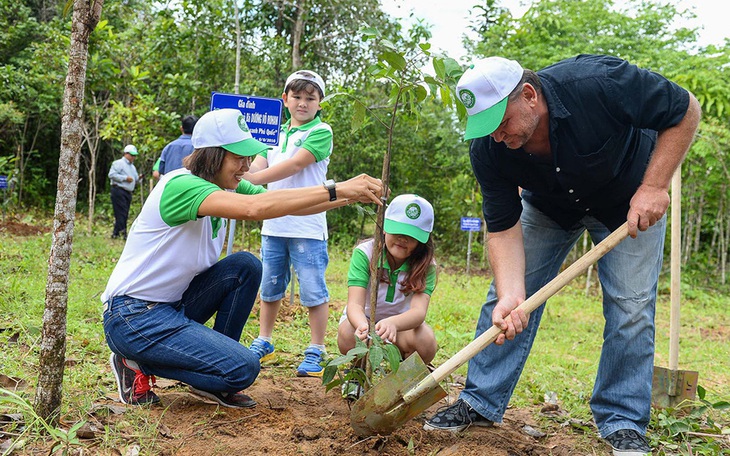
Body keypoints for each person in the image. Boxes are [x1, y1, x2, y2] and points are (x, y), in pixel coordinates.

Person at [422, 55, 701, 456]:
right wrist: (511, 293)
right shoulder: (488, 148)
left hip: (630, 201)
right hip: (551, 206)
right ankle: (479, 401)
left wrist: (655, 186)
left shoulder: (600, 82)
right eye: (486, 128)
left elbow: (685, 109)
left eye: (500, 123)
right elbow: (502, 227)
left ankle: (622, 420)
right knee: (505, 301)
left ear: (530, 96)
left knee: (631, 307)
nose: (496, 136)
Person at [102, 108, 384, 408]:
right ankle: (134, 363)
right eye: (238, 158)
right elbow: (257, 208)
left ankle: (212, 373)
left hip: (171, 307)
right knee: (245, 368)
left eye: (248, 157)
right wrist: (336, 187)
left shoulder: (223, 186)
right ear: (212, 156)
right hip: (133, 316)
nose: (246, 166)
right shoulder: (182, 185)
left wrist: (351, 195)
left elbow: (284, 205)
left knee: (245, 267)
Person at [243, 70, 335, 377]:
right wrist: (243, 174)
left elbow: (294, 164)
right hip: (273, 225)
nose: (303, 103)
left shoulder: (321, 132)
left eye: (311, 98)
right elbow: (259, 161)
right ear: (285, 99)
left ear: (320, 103)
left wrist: (254, 178)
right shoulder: (273, 133)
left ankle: (316, 350)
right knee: (269, 287)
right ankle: (264, 340)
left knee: (312, 290)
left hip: (307, 227)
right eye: (296, 97)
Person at [337, 194, 438, 400]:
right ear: (384, 228)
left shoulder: (427, 266)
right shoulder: (365, 254)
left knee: (426, 340)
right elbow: (354, 304)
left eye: (411, 235)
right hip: (365, 321)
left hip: (401, 327)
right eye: (397, 230)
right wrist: (363, 325)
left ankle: (403, 380)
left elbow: (418, 313)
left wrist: (393, 323)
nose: (403, 238)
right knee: (349, 333)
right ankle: (357, 373)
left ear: (422, 240)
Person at [108, 144, 141, 239]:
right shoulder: (118, 163)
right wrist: (125, 178)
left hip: (128, 192)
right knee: (120, 212)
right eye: (132, 155)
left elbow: (135, 179)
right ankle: (123, 232)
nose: (133, 157)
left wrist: (139, 178)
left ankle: (116, 233)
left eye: (134, 155)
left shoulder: (132, 167)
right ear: (126, 154)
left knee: (124, 212)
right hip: (118, 190)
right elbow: (112, 175)